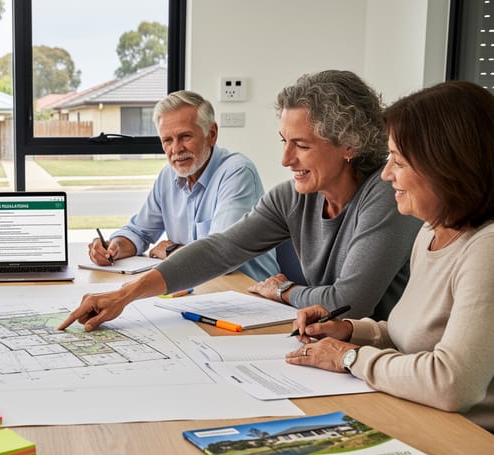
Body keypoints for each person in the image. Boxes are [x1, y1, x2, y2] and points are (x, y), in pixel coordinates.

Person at [60, 70, 422, 333]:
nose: (286, 160)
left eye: (301, 145)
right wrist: (124, 295)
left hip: (383, 359)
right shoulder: (292, 197)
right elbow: (219, 249)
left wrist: (283, 290)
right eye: (284, 141)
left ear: (350, 145)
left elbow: (347, 303)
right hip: (331, 348)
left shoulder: (387, 195)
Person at [286, 81, 494, 430]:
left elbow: (452, 383)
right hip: (421, 416)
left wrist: (350, 357)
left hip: (470, 440)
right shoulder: (430, 232)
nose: (386, 174)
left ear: (445, 166)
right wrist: (349, 330)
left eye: (398, 161)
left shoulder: (486, 249)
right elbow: (410, 337)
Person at [89, 90, 278, 281]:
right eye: (167, 140)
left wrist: (171, 250)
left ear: (211, 134)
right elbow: (139, 232)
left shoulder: (237, 172)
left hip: (246, 289)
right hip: (198, 286)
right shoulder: (168, 175)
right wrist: (114, 247)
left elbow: (221, 256)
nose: (176, 149)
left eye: (185, 137)